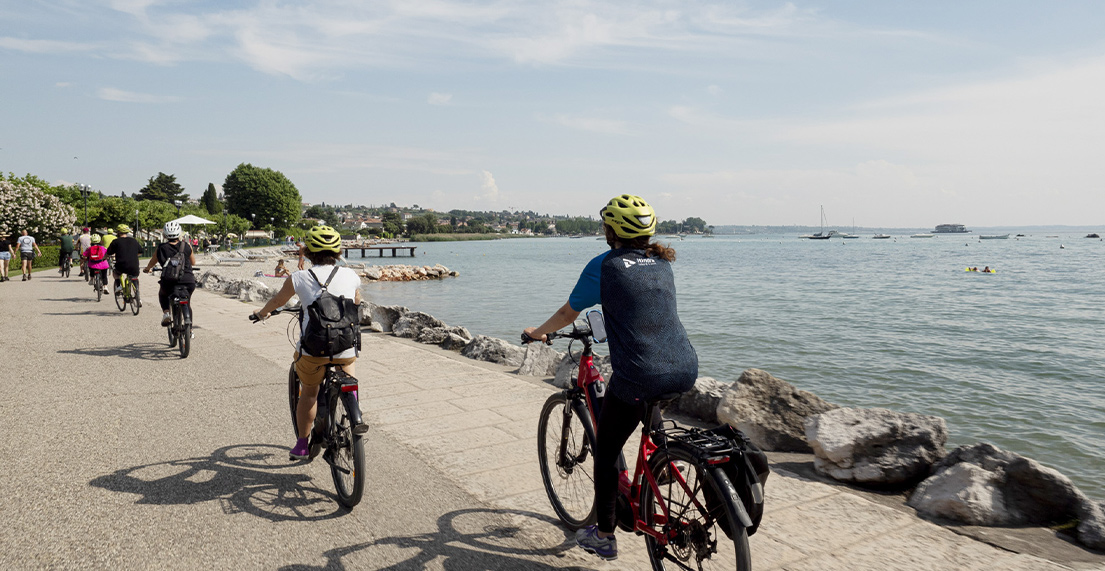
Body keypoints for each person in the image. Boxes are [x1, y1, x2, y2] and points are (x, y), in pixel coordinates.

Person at [523, 194, 698, 562]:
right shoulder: (660, 262)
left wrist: (539, 332)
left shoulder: (605, 266)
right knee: (649, 411)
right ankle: (662, 466)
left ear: (610, 230)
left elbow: (567, 312)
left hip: (640, 375)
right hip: (684, 367)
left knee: (605, 451)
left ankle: (604, 536)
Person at [252, 226, 363, 460]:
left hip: (314, 349)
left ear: (309, 252)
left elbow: (277, 301)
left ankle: (302, 444)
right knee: (349, 379)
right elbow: (356, 302)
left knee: (310, 393)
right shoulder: (352, 275)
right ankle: (354, 415)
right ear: (338, 252)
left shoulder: (299, 278)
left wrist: (262, 314)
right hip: (344, 346)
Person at [143, 222, 197, 326]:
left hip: (169, 281)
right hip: (188, 280)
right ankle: (189, 330)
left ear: (164, 234)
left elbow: (153, 261)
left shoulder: (161, 248)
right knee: (187, 301)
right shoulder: (186, 246)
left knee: (163, 294)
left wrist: (147, 269)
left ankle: (166, 313)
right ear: (179, 233)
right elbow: (193, 262)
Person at [106, 224, 142, 306]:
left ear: (118, 232)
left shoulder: (116, 242)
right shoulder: (134, 241)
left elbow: (108, 252)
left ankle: (119, 285)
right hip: (134, 265)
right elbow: (140, 251)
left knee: (116, 273)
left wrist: (105, 257)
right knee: (134, 277)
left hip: (121, 265)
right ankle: (137, 295)